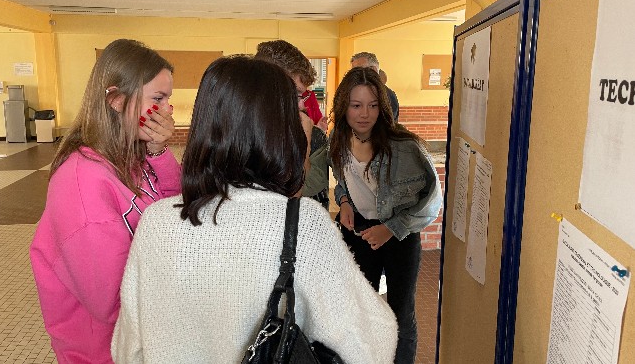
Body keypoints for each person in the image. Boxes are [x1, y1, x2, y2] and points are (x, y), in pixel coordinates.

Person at [111, 55, 398, 363]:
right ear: (282, 130)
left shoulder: (156, 223)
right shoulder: (304, 225)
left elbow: (127, 349)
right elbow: (372, 341)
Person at [30, 39, 181, 363]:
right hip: (105, 352)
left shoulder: (127, 157)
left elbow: (173, 209)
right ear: (115, 99)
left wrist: (158, 150)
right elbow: (112, 303)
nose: (168, 110)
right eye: (159, 98)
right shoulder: (82, 183)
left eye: (168, 98)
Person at [328, 66, 442, 364]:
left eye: (372, 105)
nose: (364, 113)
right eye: (356, 105)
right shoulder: (338, 140)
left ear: (383, 106)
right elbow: (343, 181)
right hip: (359, 235)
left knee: (400, 313)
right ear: (344, 107)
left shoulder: (403, 147)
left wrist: (390, 229)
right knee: (361, 310)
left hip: (399, 236)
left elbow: (431, 202)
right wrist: (344, 203)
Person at [255, 39, 328, 207]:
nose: (302, 105)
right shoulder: (235, 136)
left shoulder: (313, 136)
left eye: (302, 95)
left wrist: (305, 145)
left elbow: (312, 200)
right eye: (294, 94)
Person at [351, 52, 400, 122]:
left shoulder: (386, 95)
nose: (354, 75)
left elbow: (385, 125)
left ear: (373, 69)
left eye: (358, 70)